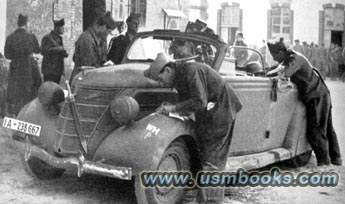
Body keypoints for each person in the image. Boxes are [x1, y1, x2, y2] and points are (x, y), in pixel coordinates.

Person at [144, 53, 242, 204]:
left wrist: (173, 108)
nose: (161, 83)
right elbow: (188, 103)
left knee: (212, 160)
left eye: (160, 79)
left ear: (168, 70)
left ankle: (211, 201)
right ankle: (203, 195)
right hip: (210, 114)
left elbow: (199, 101)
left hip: (221, 112)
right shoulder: (180, 76)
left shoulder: (191, 70)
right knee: (204, 154)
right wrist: (168, 108)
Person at [267, 40, 342, 168]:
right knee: (327, 128)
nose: (274, 59)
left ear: (280, 52)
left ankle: (324, 164)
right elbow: (278, 68)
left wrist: (268, 73)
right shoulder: (289, 58)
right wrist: (269, 70)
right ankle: (336, 159)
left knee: (316, 129)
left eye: (274, 56)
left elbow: (284, 73)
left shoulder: (295, 58)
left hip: (316, 95)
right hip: (320, 93)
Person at [4, 14, 41, 116]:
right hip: (28, 69)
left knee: (16, 94)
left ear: (18, 23)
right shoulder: (30, 36)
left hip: (15, 69)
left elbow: (7, 55)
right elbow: (38, 50)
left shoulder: (10, 37)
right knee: (28, 93)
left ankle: (16, 117)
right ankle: (26, 117)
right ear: (27, 23)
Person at [71, 12, 116, 82]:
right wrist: (104, 67)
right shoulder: (86, 39)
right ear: (103, 26)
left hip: (88, 80)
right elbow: (88, 67)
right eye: (108, 31)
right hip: (81, 81)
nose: (107, 34)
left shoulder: (97, 39)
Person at [41, 18, 68, 84]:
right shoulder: (47, 38)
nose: (63, 29)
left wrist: (64, 53)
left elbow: (60, 55)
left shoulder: (59, 38)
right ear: (57, 28)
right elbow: (43, 51)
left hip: (57, 71)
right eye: (62, 27)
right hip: (49, 71)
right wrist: (58, 49)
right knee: (49, 90)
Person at [0, 52, 7, 117]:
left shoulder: (4, 69)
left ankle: (3, 112)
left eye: (1, 61)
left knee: (3, 91)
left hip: (3, 87)